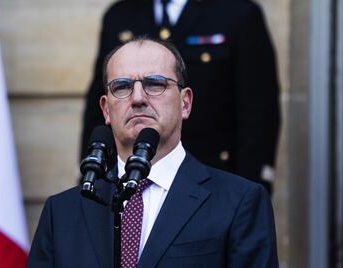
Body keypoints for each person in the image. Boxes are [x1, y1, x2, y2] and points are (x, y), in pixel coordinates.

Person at [28, 37, 278, 267]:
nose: (138, 98)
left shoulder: (238, 201)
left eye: (155, 84)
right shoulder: (62, 212)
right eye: (122, 87)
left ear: (185, 103)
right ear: (106, 109)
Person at [81, 0, 281, 194]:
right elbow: (97, 109)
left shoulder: (237, 13)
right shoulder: (120, 15)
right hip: (128, 185)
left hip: (213, 181)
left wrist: (246, 191)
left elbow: (258, 113)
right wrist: (92, 178)